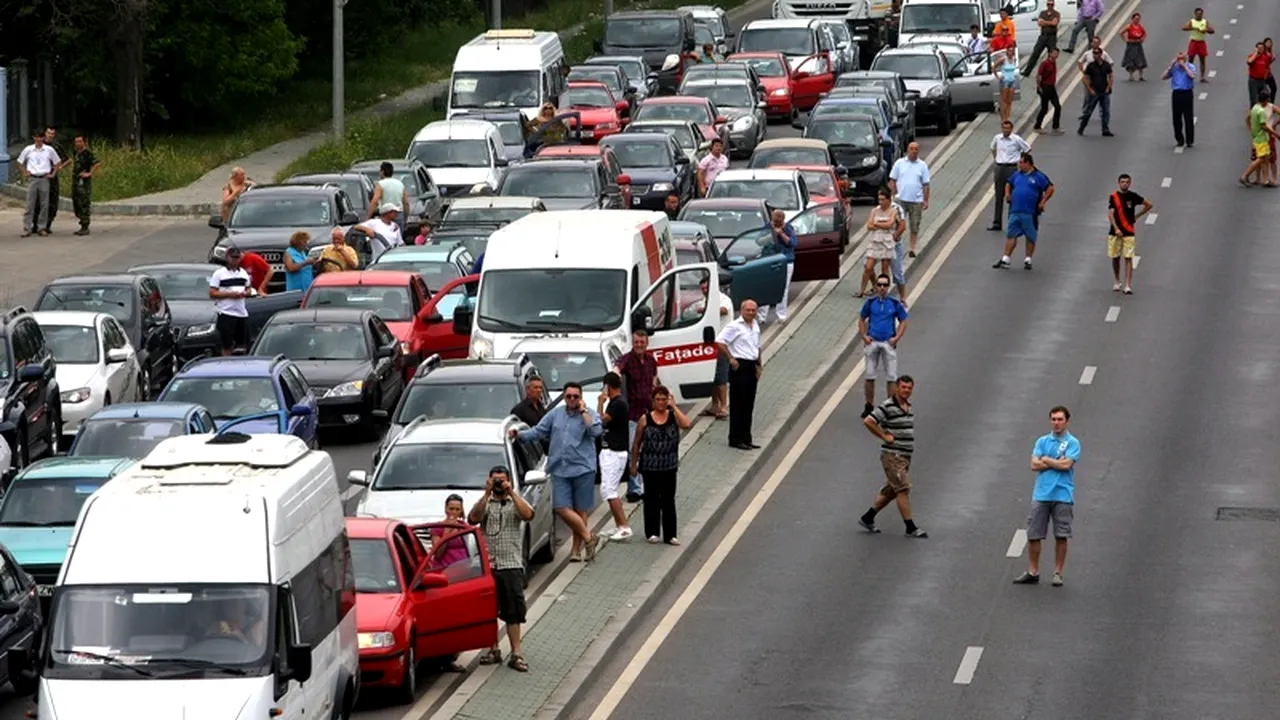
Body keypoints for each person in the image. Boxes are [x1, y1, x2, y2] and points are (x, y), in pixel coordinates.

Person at [511, 382, 602, 562]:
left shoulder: (589, 413)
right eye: (568, 396)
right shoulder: (556, 414)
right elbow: (538, 431)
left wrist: (583, 412)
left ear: (581, 397)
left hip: (583, 468)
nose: (572, 400)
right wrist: (519, 435)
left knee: (580, 510)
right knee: (561, 507)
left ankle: (576, 551)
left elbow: (595, 431)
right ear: (564, 397)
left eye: (575, 397)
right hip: (560, 468)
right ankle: (589, 537)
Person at [470, 466, 536, 672]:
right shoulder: (486, 503)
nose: (498, 483)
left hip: (511, 565)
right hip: (489, 566)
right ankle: (493, 649)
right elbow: (473, 518)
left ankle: (516, 653)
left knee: (513, 612)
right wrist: (486, 493)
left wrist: (511, 492)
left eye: (502, 480)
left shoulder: (514, 502)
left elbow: (528, 515)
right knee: (488, 611)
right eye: (495, 480)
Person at [1013, 406, 1080, 587]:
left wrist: (1047, 460)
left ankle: (1058, 572)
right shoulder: (1042, 441)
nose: (1056, 423)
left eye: (1060, 419)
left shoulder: (1073, 442)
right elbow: (1034, 465)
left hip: (1062, 494)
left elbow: (1066, 465)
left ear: (1066, 421)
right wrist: (1055, 462)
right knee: (1034, 534)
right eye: (1053, 419)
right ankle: (1033, 571)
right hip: (1041, 494)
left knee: (1061, 534)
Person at [858, 375, 926, 538]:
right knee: (903, 488)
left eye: (909, 388)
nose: (906, 390)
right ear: (896, 387)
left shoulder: (907, 406)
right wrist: (884, 436)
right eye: (903, 387)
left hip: (904, 456)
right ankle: (910, 527)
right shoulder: (887, 406)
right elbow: (868, 421)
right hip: (893, 455)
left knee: (892, 490)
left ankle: (868, 517)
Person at [630, 385, 692, 544]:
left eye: (664, 399)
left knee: (668, 500)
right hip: (650, 466)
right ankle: (652, 531)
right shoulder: (646, 419)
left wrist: (674, 407)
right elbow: (637, 443)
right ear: (653, 401)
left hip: (669, 466)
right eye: (658, 399)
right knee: (651, 499)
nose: (661, 403)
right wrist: (634, 465)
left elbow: (686, 424)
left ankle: (670, 534)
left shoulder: (673, 417)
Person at [614, 330, 658, 502]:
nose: (639, 345)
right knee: (633, 449)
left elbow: (654, 381)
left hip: (648, 411)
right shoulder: (628, 359)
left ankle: (646, 485)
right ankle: (634, 488)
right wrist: (615, 373)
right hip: (632, 413)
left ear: (647, 343)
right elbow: (618, 365)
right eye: (636, 342)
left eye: (642, 342)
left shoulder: (651, 361)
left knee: (649, 450)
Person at [858, 273, 909, 418]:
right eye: (879, 285)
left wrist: (896, 338)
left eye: (885, 285)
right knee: (869, 375)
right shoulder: (870, 303)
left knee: (891, 377)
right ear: (876, 286)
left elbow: (903, 321)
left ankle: (890, 407)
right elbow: (861, 319)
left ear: (888, 287)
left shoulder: (894, 304)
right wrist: (864, 336)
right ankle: (869, 405)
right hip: (873, 341)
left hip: (888, 342)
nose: (882, 288)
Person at [993, 152, 1054, 271]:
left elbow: (1050, 188)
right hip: (1015, 210)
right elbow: (1008, 183)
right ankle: (1006, 258)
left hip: (1030, 212)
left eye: (1021, 163)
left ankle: (1028, 259)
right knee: (1011, 234)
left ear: (1028, 163)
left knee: (1030, 235)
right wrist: (1008, 194)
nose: (1019, 165)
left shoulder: (1038, 176)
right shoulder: (1016, 175)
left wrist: (1043, 201)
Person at [717, 299, 762, 450]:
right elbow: (720, 342)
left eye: (753, 310)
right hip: (739, 366)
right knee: (738, 403)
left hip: (751, 365)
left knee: (749, 403)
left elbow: (757, 345)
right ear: (742, 311)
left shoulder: (755, 325)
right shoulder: (735, 326)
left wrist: (759, 364)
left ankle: (746, 437)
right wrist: (730, 358)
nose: (751, 313)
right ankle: (735, 438)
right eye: (748, 310)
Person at [597, 373, 633, 541]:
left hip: (615, 452)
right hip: (612, 451)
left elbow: (601, 421)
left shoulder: (617, 403)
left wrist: (600, 403)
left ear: (607, 386)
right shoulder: (618, 402)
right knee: (610, 489)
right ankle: (619, 525)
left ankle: (624, 527)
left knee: (608, 490)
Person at [1106, 174, 1152, 295]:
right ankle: (1117, 280)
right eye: (1122, 182)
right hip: (1115, 232)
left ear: (1130, 183)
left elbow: (1148, 205)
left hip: (1129, 232)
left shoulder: (1133, 196)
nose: (1124, 184)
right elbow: (1111, 214)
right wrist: (1116, 229)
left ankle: (1127, 285)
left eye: (1127, 182)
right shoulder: (1113, 197)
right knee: (1115, 257)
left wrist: (1137, 216)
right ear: (1118, 183)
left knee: (1128, 257)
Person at [694, 276, 733, 418]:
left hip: (722, 344)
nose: (704, 290)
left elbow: (723, 311)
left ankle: (724, 406)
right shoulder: (706, 301)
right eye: (702, 288)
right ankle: (714, 405)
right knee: (712, 377)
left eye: (707, 287)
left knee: (721, 377)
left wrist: (705, 310)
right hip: (709, 344)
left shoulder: (723, 299)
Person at [208, 248, 255, 356]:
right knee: (227, 344)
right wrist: (230, 294)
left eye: (237, 258)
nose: (235, 260)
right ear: (227, 258)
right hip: (226, 313)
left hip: (241, 313)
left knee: (242, 344)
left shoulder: (243, 273)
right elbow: (212, 293)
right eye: (232, 258)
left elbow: (248, 288)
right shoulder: (219, 274)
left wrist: (246, 293)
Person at [887, 141, 930, 257]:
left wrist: (925, 200)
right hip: (900, 199)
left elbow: (926, 184)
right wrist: (892, 196)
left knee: (914, 225)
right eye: (912, 149)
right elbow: (892, 180)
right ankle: (895, 244)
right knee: (897, 224)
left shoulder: (922, 165)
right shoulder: (899, 163)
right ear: (907, 150)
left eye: (916, 149)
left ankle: (912, 248)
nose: (914, 151)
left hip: (916, 201)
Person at [16, 130, 61, 238]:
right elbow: (19, 161)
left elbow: (57, 162)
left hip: (44, 178)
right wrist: (25, 172)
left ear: (43, 138)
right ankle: (27, 228)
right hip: (33, 178)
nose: (39, 139)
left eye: (41, 137)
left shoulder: (49, 150)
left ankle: (42, 227)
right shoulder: (29, 149)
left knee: (44, 204)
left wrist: (53, 173)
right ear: (34, 138)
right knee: (30, 204)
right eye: (37, 137)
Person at [989, 120, 1031, 232]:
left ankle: (1011, 223)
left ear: (1011, 129)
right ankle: (997, 222)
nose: (1006, 130)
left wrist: (1019, 161)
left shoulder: (1016, 139)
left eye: (1008, 128)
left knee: (1012, 196)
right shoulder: (997, 138)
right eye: (1004, 128)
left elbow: (1027, 148)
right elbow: (992, 148)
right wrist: (997, 159)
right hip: (999, 167)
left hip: (1012, 168)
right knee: (999, 196)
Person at [758, 209, 796, 325]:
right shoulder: (767, 227)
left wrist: (781, 234)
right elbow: (759, 241)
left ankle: (781, 315)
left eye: (780, 222)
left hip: (785, 261)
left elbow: (793, 243)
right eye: (775, 222)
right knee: (765, 287)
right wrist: (772, 234)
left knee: (783, 288)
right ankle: (761, 316)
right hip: (768, 259)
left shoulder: (788, 228)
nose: (777, 224)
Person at [860, 190, 899, 297]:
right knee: (868, 266)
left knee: (884, 268)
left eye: (883, 199)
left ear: (888, 200)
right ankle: (862, 290)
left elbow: (890, 225)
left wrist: (876, 224)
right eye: (879, 199)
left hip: (886, 241)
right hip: (875, 240)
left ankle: (884, 290)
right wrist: (882, 224)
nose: (880, 202)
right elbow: (869, 226)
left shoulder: (893, 211)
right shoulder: (874, 210)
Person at [1241, 89, 1280, 187]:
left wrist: (1251, 131)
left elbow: (1247, 119)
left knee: (1265, 158)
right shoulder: (1261, 111)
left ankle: (1265, 180)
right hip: (1262, 138)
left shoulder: (1255, 107)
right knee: (1261, 158)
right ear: (1266, 100)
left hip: (1256, 137)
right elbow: (1264, 127)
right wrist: (1275, 133)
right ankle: (1245, 176)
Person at [428, 495, 472, 569]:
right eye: (451, 509)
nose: (454, 512)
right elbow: (438, 553)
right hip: (445, 569)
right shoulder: (437, 528)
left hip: (464, 569)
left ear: (461, 510)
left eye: (457, 509)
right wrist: (447, 531)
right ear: (446, 509)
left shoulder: (464, 526)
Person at [1164, 52, 1198, 148]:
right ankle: (1179, 139)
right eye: (1178, 59)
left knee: (1188, 117)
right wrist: (1171, 66)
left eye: (1181, 59)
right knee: (1176, 118)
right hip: (1176, 93)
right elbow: (1163, 77)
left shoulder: (1190, 66)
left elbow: (1192, 76)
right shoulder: (1174, 68)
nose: (1180, 61)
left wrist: (1185, 67)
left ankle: (1189, 140)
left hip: (1187, 93)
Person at [1078, 47, 1114, 137]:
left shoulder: (1106, 65)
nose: (1095, 55)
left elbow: (1111, 76)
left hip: (1104, 91)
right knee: (1088, 111)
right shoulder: (1091, 66)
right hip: (1094, 91)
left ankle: (1105, 129)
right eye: (1094, 54)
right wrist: (1090, 89)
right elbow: (1085, 78)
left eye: (1097, 54)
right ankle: (1082, 127)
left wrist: (1108, 87)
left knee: (1106, 111)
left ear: (1101, 54)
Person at [70, 135, 101, 236]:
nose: (78, 144)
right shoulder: (76, 152)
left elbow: (97, 163)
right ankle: (81, 222)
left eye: (80, 142)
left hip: (84, 183)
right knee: (76, 203)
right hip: (76, 181)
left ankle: (85, 226)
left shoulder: (88, 153)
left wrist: (89, 173)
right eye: (76, 142)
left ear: (84, 142)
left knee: (84, 203)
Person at [1021, 0, 1060, 76]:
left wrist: (1044, 22)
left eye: (1051, 5)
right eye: (1049, 4)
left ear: (1054, 5)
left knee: (1051, 56)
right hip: (1043, 36)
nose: (1050, 6)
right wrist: (1050, 22)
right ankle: (1027, 71)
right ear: (1047, 5)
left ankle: (1050, 74)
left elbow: (1054, 23)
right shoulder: (1042, 13)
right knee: (1035, 53)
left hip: (1052, 37)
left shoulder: (1056, 13)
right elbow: (1039, 23)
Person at [368, 162, 410, 231]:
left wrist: (368, 217)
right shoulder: (400, 184)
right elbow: (406, 203)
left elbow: (375, 201)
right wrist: (406, 217)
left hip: (386, 216)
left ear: (382, 171)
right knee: (397, 239)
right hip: (398, 215)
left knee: (386, 238)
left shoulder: (381, 184)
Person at [1034, 48, 1063, 134]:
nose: (1056, 55)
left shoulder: (1054, 63)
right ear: (1050, 54)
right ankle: (1037, 126)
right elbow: (1039, 75)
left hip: (1052, 87)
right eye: (1054, 53)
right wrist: (1039, 87)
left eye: (1057, 54)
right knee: (1044, 108)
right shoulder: (1045, 63)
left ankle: (1055, 127)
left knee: (1058, 106)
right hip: (1045, 87)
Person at [1183, 8, 1215, 81]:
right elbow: (1184, 28)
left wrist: (1205, 30)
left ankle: (1202, 77)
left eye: (1200, 14)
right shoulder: (1192, 21)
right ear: (1195, 14)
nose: (1199, 15)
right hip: (1193, 42)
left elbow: (1212, 30)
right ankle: (1189, 74)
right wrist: (1194, 28)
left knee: (1202, 59)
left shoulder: (1205, 21)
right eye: (1197, 14)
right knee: (1191, 59)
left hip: (1201, 42)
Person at [1121, 13, 1147, 81]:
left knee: (1140, 60)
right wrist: (1126, 40)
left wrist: (1142, 40)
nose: (1137, 20)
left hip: (1138, 45)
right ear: (1132, 19)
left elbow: (1144, 34)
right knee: (1131, 61)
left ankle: (1141, 76)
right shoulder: (1129, 26)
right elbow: (1121, 32)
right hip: (1131, 45)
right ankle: (1131, 76)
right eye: (1136, 19)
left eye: (1138, 19)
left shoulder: (1140, 26)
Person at [1247, 41, 1274, 105]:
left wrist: (1265, 76)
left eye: (1262, 48)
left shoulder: (1265, 57)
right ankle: (1253, 113)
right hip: (1253, 81)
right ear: (1256, 49)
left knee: (1267, 97)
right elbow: (1249, 62)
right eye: (1259, 48)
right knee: (1254, 100)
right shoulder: (1252, 56)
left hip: (1262, 80)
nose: (1260, 49)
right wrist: (1256, 53)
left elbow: (1267, 66)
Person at [996, 47, 1018, 123]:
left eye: (1012, 51)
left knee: (1010, 101)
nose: (1011, 53)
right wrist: (998, 77)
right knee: (1004, 101)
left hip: (1012, 80)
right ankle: (1003, 118)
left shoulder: (1014, 59)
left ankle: (1007, 117)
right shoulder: (1003, 59)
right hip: (1004, 81)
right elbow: (994, 67)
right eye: (1009, 51)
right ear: (1007, 52)